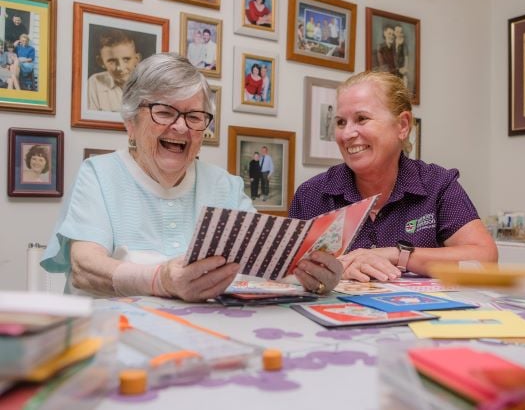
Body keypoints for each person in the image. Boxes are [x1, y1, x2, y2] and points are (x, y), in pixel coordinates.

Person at [40, 53, 341, 301]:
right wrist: (161, 280)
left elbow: (265, 264)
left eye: (194, 117)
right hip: (111, 339)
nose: (181, 127)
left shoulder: (224, 185)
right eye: (164, 112)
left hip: (200, 339)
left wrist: (311, 274)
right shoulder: (99, 174)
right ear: (131, 122)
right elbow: (85, 268)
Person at [289, 71, 497, 282]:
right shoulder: (312, 195)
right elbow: (290, 273)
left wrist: (397, 255)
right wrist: (337, 272)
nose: (346, 134)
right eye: (341, 122)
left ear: (402, 126)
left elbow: (485, 260)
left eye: (362, 119)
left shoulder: (437, 184)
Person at [88, 29, 141, 112]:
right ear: (101, 61)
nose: (120, 68)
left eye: (126, 59)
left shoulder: (148, 85)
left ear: (137, 59)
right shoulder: (95, 82)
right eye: (112, 61)